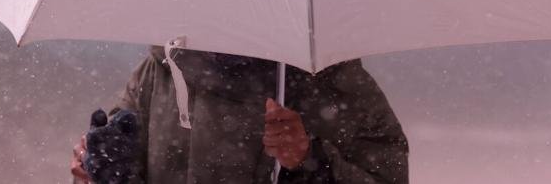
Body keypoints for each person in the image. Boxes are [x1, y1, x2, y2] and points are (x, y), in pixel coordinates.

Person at [70, 46, 408, 183]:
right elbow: (102, 165)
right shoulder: (161, 71)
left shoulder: (335, 84)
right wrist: (101, 173)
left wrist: (309, 161)